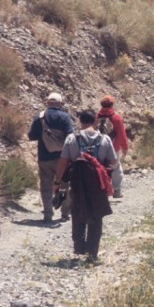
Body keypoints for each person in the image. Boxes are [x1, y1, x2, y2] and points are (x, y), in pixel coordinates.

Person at [55, 109, 116, 263]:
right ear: (95, 120)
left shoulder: (71, 138)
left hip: (77, 181)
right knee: (96, 214)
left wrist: (58, 181)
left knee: (77, 210)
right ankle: (92, 253)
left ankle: (79, 247)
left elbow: (63, 162)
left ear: (80, 121)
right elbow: (113, 162)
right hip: (98, 182)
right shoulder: (105, 139)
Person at [28, 92, 75, 222]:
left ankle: (48, 214)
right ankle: (65, 213)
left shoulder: (39, 118)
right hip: (63, 158)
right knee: (65, 184)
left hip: (44, 157)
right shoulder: (65, 117)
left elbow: (31, 136)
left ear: (47, 103)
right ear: (60, 103)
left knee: (46, 185)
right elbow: (70, 137)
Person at [97, 96, 129, 197]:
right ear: (112, 105)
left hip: (99, 147)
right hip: (114, 147)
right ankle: (117, 191)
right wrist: (125, 147)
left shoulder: (96, 116)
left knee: (100, 167)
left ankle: (103, 190)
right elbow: (122, 134)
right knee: (116, 167)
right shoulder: (116, 118)